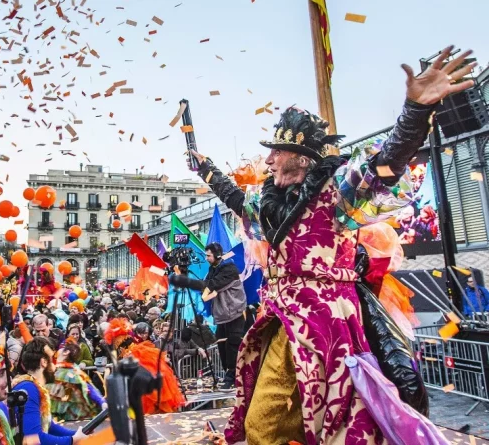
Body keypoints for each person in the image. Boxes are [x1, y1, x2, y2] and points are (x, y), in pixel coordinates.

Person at [188, 45, 475, 444]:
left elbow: (384, 167)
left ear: (302, 160)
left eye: (277, 152)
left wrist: (414, 112)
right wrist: (205, 168)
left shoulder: (335, 194)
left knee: (325, 424)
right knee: (266, 426)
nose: (268, 161)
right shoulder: (268, 205)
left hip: (325, 328)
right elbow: (235, 198)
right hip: (280, 321)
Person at [170, 242, 245, 389]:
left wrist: (188, 282)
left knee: (233, 345)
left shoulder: (228, 269)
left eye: (208, 255)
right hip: (222, 314)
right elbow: (206, 285)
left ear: (217, 255)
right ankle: (228, 374)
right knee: (222, 346)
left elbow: (212, 285)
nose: (206, 258)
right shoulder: (213, 269)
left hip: (234, 313)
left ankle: (232, 377)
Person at [11, 336, 85, 444]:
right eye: (53, 360)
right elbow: (34, 439)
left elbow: (50, 426)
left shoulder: (34, 387)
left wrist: (78, 434)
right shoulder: (29, 389)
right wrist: (72, 440)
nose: (56, 366)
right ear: (44, 362)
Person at [47, 340, 105, 421]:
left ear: (66, 352)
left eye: (62, 348)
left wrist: (102, 402)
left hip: (72, 418)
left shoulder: (71, 372)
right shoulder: (58, 370)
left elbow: (88, 387)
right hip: (60, 417)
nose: (58, 350)